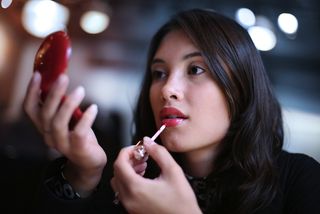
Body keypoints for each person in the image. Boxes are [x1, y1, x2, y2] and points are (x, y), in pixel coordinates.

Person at [24, 9, 320, 214]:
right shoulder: (128, 181)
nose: (167, 90)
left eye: (195, 69)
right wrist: (82, 174)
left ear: (242, 87)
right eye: (158, 73)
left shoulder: (302, 182)